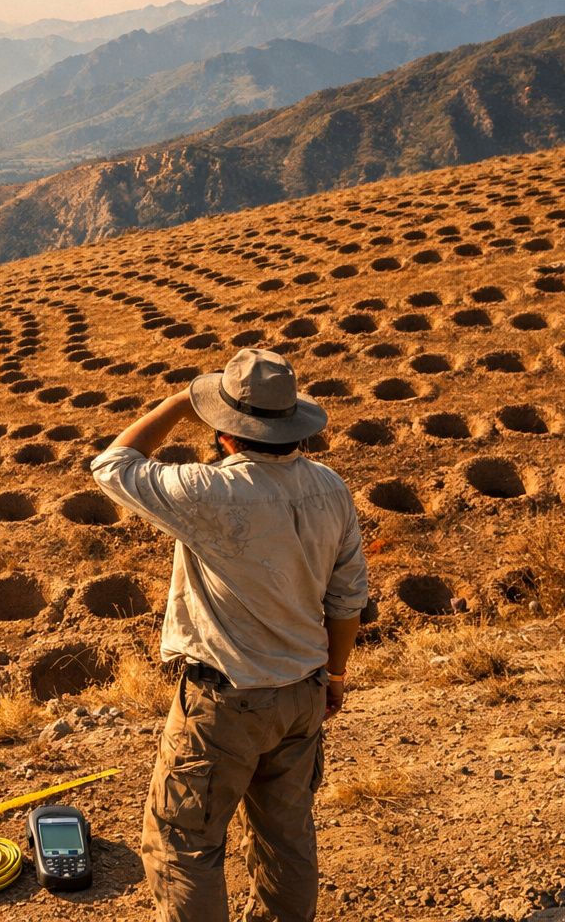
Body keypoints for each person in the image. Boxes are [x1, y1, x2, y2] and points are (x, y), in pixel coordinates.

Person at [90, 348, 368, 922]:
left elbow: (112, 465)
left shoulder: (209, 491)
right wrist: (335, 677)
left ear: (225, 432)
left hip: (226, 701)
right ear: (293, 425)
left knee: (183, 842)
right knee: (286, 834)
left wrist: (178, 401)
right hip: (304, 692)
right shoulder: (331, 487)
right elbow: (347, 602)